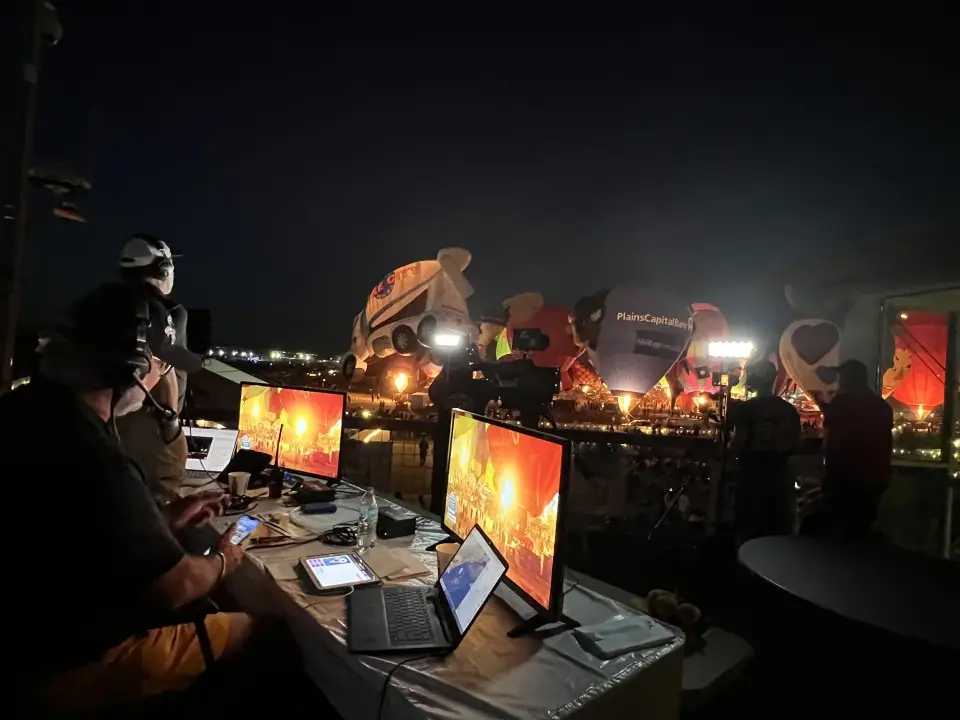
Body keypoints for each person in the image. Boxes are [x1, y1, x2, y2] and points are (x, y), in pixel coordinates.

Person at [7, 283, 255, 714]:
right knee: (254, 629)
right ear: (134, 367)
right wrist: (223, 560)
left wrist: (158, 520)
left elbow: (81, 533)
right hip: (66, 668)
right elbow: (175, 587)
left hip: (24, 643)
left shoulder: (26, 411)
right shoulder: (92, 454)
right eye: (161, 364)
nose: (161, 378)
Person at [116, 233, 197, 491]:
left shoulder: (110, 304)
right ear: (164, 269)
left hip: (107, 425)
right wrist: (171, 420)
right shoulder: (169, 313)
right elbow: (166, 370)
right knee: (163, 504)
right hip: (151, 428)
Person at [805, 359, 893, 540]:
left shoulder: (842, 404)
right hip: (875, 477)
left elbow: (831, 441)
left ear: (847, 379)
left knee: (839, 526)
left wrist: (826, 468)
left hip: (845, 476)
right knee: (861, 526)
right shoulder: (882, 407)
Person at [729, 359, 802, 544]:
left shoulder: (747, 409)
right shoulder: (788, 410)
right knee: (776, 522)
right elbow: (795, 442)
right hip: (779, 470)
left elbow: (738, 442)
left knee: (750, 523)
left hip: (753, 469)